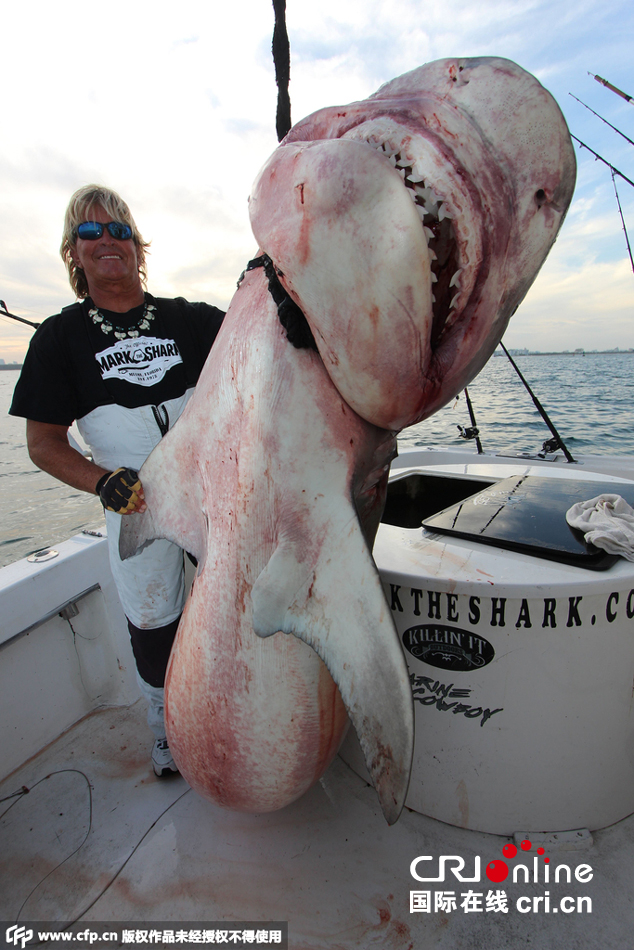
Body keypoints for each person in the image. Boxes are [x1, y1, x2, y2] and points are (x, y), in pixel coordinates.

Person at [10, 185, 225, 776]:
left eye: (118, 229)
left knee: (233, 606)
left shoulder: (193, 320)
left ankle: (233, 715)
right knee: (154, 620)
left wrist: (270, 278)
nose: (106, 239)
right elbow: (44, 444)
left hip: (213, 496)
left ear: (137, 245)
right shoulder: (59, 339)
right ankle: (167, 735)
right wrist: (102, 482)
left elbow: (270, 343)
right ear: (73, 253)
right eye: (89, 232)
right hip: (133, 504)